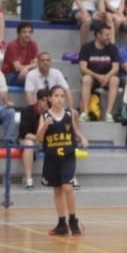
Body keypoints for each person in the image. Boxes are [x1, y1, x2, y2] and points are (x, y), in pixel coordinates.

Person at [39, 86, 88, 237]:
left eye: (62, 96)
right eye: (56, 96)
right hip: (52, 156)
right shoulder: (44, 116)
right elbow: (39, 138)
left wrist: (82, 137)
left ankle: (73, 220)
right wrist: (45, 126)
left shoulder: (69, 114)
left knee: (68, 187)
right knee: (58, 190)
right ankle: (61, 223)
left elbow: (74, 129)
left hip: (67, 155)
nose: (59, 99)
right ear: (50, 98)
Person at [78, 24, 121, 123]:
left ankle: (108, 114)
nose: (109, 37)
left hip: (107, 78)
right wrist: (97, 76)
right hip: (93, 77)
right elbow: (82, 68)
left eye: (110, 35)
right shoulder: (86, 47)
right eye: (107, 35)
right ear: (98, 35)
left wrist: (107, 76)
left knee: (115, 79)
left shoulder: (113, 48)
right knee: (86, 79)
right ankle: (85, 113)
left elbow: (116, 68)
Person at [19, 88, 49, 190]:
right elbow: (24, 133)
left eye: (48, 101)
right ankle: (29, 180)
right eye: (43, 100)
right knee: (29, 144)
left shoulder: (50, 112)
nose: (46, 103)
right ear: (38, 100)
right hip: (29, 139)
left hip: (44, 141)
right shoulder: (26, 111)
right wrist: (38, 138)